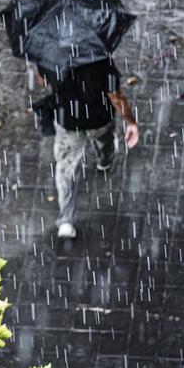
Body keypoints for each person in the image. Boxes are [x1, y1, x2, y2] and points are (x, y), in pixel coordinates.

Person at [39, 58, 139, 239]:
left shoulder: (50, 55)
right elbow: (115, 96)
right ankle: (105, 161)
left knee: (67, 168)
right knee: (104, 140)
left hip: (68, 120)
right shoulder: (99, 59)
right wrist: (130, 122)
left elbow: (42, 80)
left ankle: (66, 221)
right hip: (99, 117)